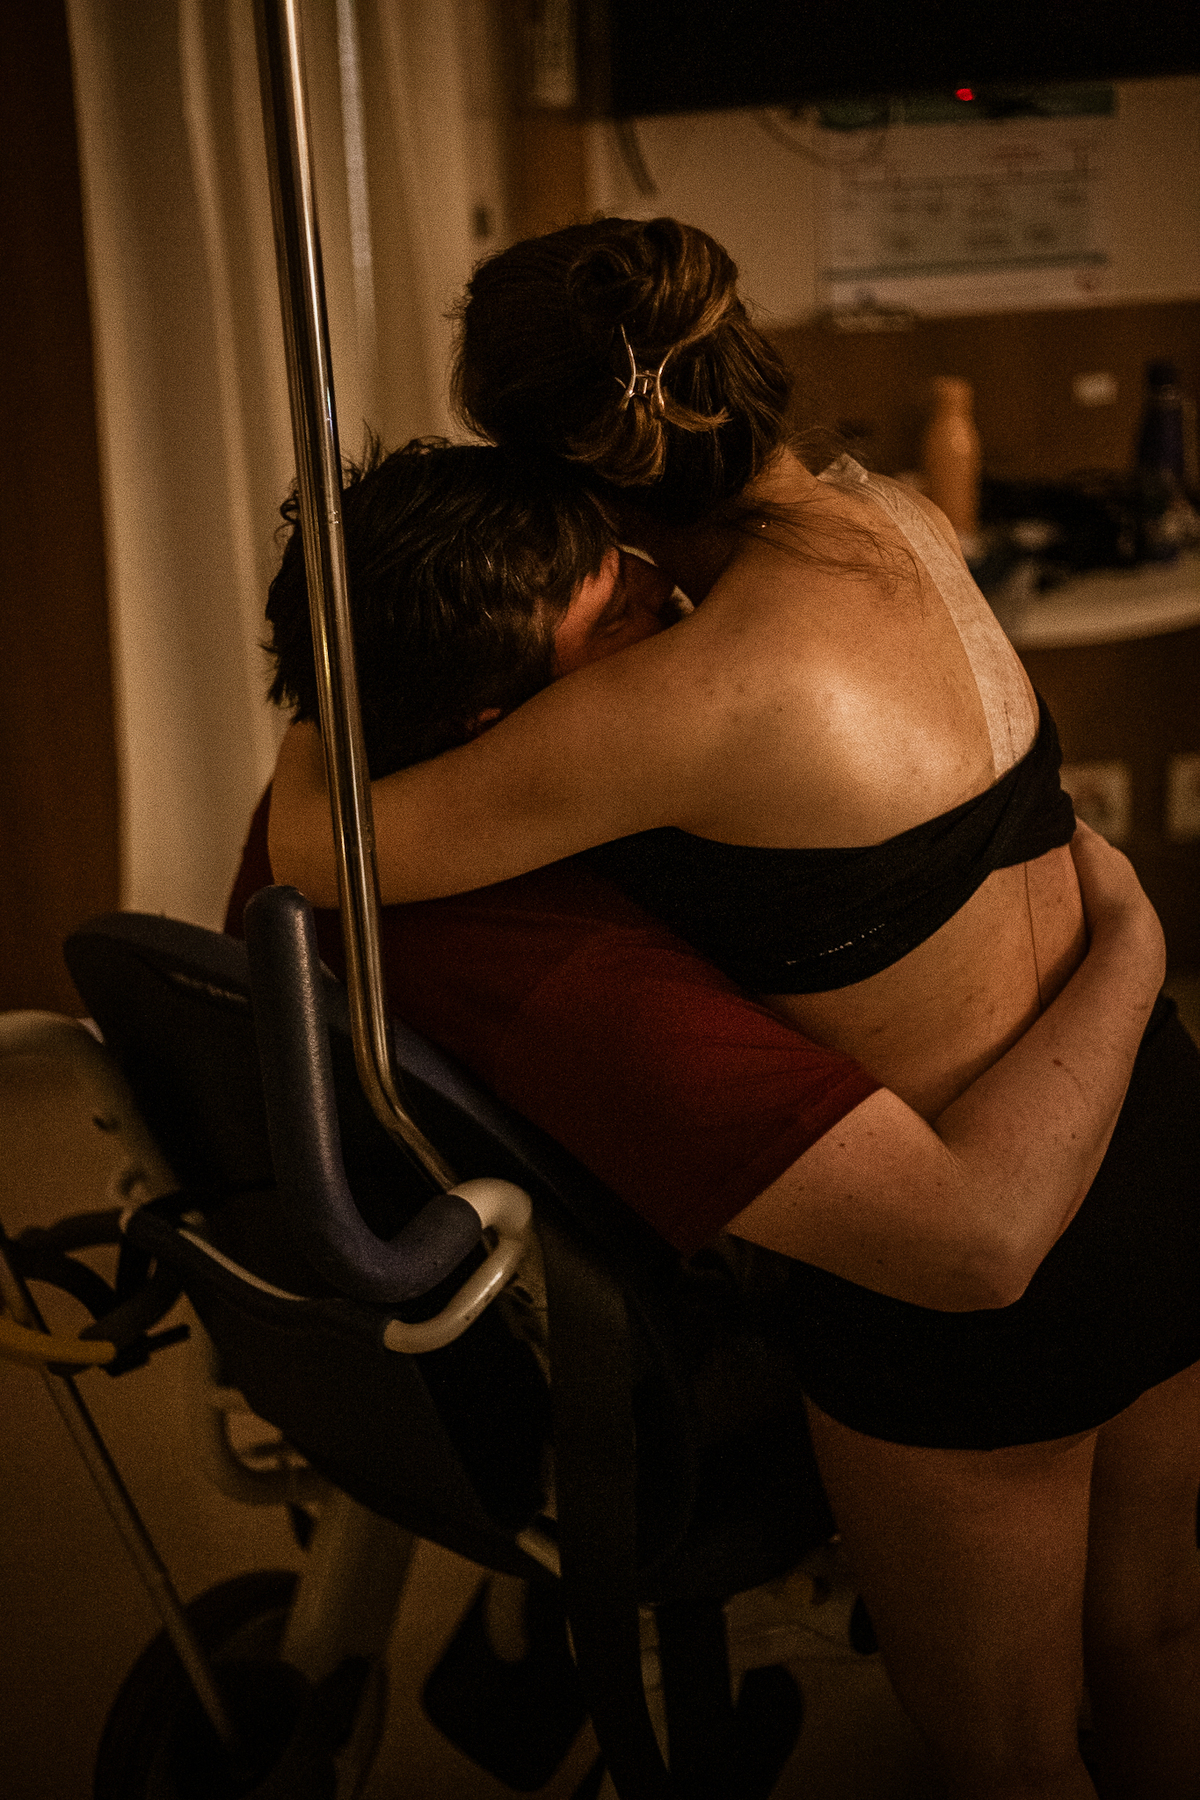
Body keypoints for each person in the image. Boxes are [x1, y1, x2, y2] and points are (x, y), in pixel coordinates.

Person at [263, 219, 1200, 1798]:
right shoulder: (900, 515)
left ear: (567, 464)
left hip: (983, 1274)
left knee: (1009, 1754)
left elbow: (317, 846)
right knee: (1162, 1639)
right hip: (1158, 1138)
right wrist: (1133, 948)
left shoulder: (684, 701)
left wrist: (334, 654)